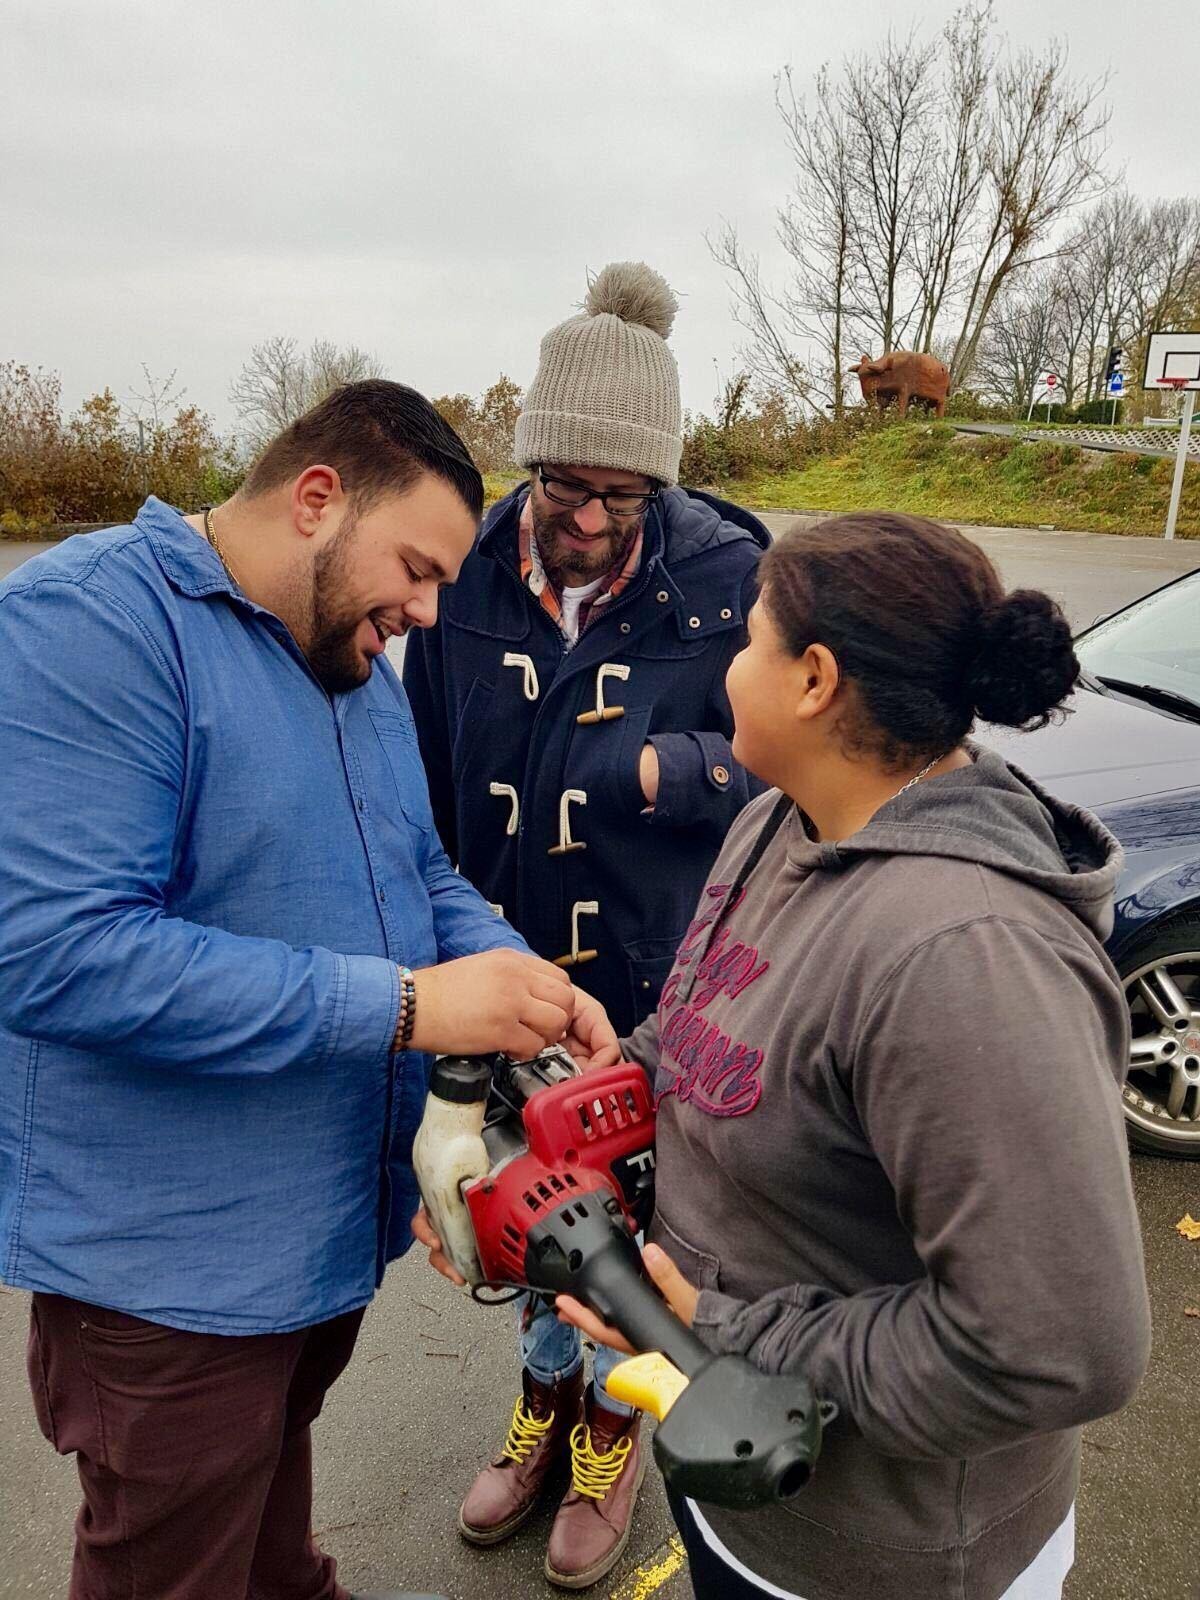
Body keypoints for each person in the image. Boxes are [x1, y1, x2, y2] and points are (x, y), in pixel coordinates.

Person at [0, 380, 616, 1600]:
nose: (433, 611)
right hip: (172, 1285)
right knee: (172, 1564)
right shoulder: (94, 626)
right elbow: (58, 950)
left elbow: (420, 869)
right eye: (419, 569)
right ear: (317, 500)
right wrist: (409, 1008)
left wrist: (519, 973)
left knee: (269, 1536)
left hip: (319, 1249)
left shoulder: (353, 661)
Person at [528, 512, 1151, 1597]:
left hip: (882, 1558)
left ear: (814, 679)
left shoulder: (967, 959)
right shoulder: (781, 821)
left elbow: (1065, 1343)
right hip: (742, 1482)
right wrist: (615, 1071)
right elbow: (718, 1029)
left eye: (746, 639)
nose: (726, 669)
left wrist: (720, 1331)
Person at [404, 261, 768, 1588]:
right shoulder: (464, 575)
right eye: (570, 488)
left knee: (632, 1229)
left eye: (627, 495)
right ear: (534, 460)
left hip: (660, 980)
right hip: (502, 969)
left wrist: (677, 771)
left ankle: (611, 1427)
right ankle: (546, 1401)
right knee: (526, 1211)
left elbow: (795, 761)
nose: (597, 520)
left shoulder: (732, 569)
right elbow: (423, 772)